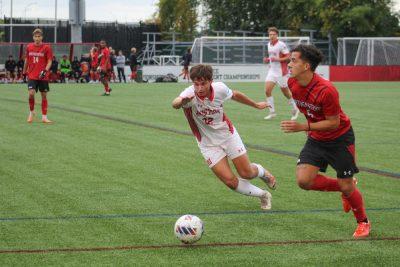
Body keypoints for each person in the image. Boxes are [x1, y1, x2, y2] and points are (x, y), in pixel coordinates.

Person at [280, 44, 370, 238]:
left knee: (347, 187)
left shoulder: (327, 90)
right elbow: (308, 109)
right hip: (316, 138)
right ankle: (346, 187)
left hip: (340, 138)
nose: (289, 64)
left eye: (293, 60)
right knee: (304, 181)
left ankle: (363, 222)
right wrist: (310, 128)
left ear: (306, 66)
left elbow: (333, 123)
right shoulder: (292, 83)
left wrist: (304, 127)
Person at [172, 64, 277, 210]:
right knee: (230, 182)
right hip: (207, 144)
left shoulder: (220, 88)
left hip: (228, 135)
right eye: (196, 84)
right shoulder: (189, 95)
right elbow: (175, 103)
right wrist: (182, 102)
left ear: (211, 81)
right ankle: (263, 195)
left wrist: (255, 105)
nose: (199, 88)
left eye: (203, 83)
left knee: (246, 173)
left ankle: (262, 172)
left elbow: (235, 95)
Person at [263, 27, 299, 120]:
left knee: (286, 93)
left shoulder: (281, 44)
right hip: (272, 71)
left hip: (281, 72)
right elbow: (272, 57)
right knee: (267, 91)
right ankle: (272, 112)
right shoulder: (268, 44)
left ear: (277, 35)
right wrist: (267, 60)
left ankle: (295, 108)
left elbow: (288, 56)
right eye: (270, 34)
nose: (271, 36)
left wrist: (277, 59)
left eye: (273, 34)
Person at [23, 28, 53, 124]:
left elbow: (49, 61)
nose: (37, 38)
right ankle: (31, 113)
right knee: (31, 94)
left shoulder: (47, 48)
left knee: (44, 95)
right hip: (32, 75)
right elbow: (27, 60)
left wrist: (45, 71)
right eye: (35, 36)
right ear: (33, 37)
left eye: (39, 36)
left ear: (42, 37)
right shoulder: (29, 47)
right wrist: (24, 72)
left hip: (43, 76)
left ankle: (44, 117)